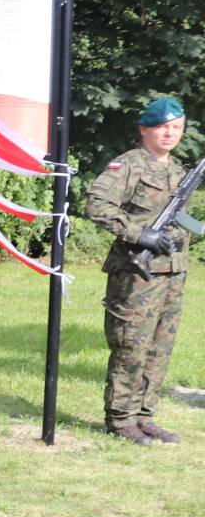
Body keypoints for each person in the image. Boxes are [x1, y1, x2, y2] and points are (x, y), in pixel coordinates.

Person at [86, 96, 194, 445]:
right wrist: (139, 233)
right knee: (131, 344)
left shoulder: (178, 171)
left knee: (159, 348)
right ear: (144, 129)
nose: (169, 133)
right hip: (136, 275)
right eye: (162, 127)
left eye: (176, 127)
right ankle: (120, 419)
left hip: (172, 273)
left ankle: (145, 415)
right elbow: (97, 205)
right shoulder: (128, 165)